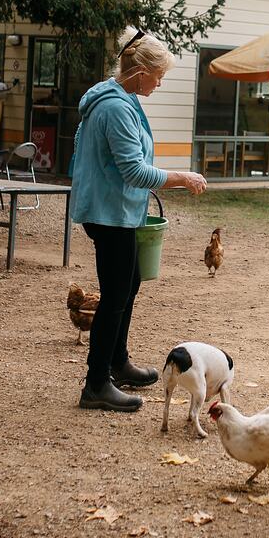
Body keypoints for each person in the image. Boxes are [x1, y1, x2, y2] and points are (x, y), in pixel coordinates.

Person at [70, 26, 207, 412]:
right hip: (109, 212)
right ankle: (96, 383)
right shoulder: (115, 107)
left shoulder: (121, 98)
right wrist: (183, 177)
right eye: (159, 75)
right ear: (140, 71)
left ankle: (118, 363)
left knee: (127, 284)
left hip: (114, 209)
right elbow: (135, 171)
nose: (160, 83)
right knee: (115, 294)